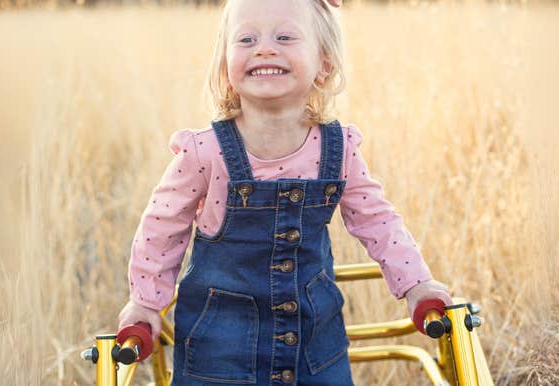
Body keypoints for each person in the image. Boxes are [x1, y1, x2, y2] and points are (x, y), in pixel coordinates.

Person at [118, 0, 452, 384]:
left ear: (324, 64)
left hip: (314, 344)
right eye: (246, 39)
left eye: (285, 36)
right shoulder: (204, 153)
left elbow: (378, 220)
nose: (264, 48)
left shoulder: (338, 149)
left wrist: (416, 284)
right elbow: (162, 227)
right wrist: (145, 303)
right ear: (226, 68)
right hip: (219, 352)